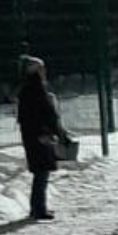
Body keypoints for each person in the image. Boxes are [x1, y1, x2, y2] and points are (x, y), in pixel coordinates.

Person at [16, 56, 69, 221]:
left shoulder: (29, 90)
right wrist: (54, 133)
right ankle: (38, 209)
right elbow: (45, 115)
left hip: (35, 136)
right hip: (39, 137)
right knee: (41, 172)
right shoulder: (35, 91)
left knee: (41, 172)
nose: (44, 72)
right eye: (41, 69)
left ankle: (38, 207)